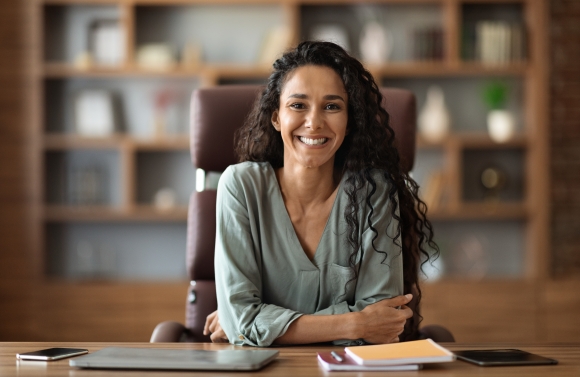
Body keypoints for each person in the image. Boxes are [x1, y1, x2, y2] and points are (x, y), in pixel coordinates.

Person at [204, 41, 438, 347]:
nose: (314, 122)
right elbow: (243, 322)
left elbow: (382, 327)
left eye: (332, 106)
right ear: (276, 117)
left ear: (349, 120)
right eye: (298, 105)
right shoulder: (241, 186)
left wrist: (256, 324)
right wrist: (356, 323)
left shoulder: (373, 191)